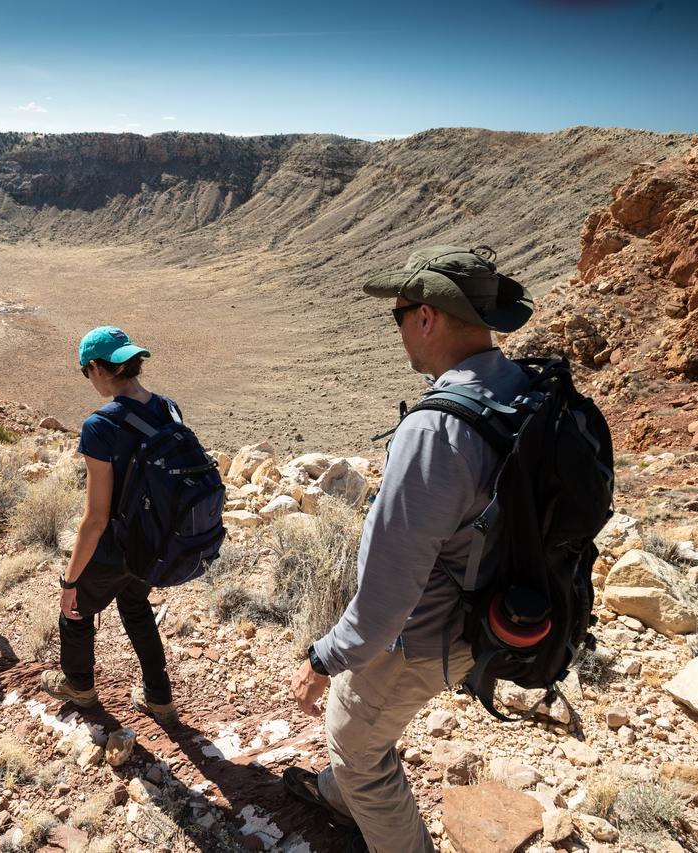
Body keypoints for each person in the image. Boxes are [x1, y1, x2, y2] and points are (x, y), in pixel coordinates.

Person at [282, 246, 535, 853]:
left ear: (427, 318)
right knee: (367, 726)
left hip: (424, 632)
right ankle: (345, 797)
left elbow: (387, 595)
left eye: (398, 315)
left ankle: (365, 803)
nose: (397, 330)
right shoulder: (519, 386)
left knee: (352, 740)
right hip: (493, 607)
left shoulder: (436, 430)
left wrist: (324, 658)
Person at [39, 326, 178, 725]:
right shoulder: (168, 407)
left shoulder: (100, 425)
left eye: (87, 371)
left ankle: (79, 687)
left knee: (75, 613)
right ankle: (159, 699)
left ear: (99, 367)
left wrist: (69, 581)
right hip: (154, 541)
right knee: (136, 607)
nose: (89, 379)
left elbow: (96, 518)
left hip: (116, 546)